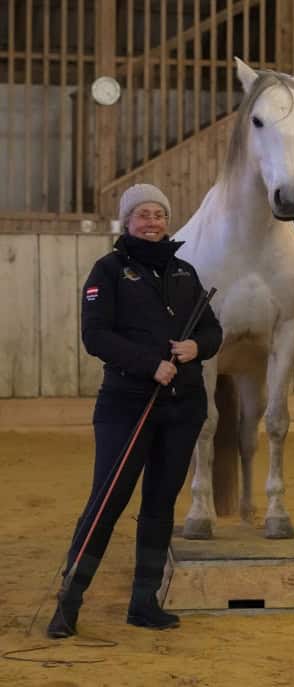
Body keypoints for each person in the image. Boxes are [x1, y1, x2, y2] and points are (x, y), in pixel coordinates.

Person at [46, 184, 222, 639]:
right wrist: (150, 364)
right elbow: (96, 336)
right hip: (127, 405)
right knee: (107, 500)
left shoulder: (185, 273)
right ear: (127, 222)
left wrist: (195, 346)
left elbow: (213, 330)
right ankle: (69, 601)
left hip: (182, 408)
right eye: (142, 215)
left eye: (159, 215)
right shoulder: (107, 271)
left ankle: (144, 602)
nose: (152, 222)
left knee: (160, 505)